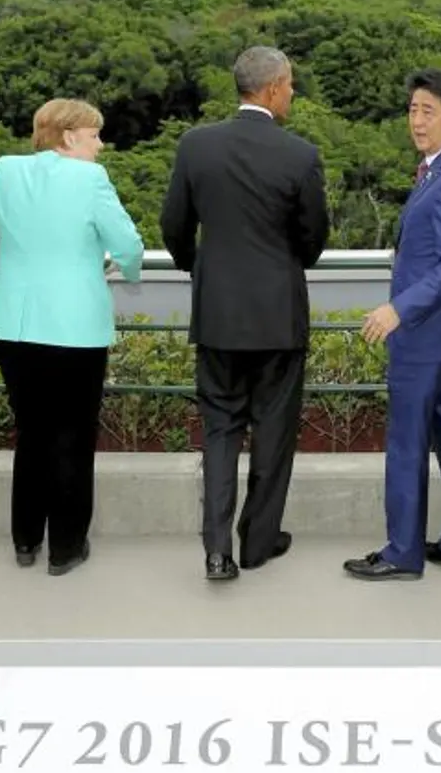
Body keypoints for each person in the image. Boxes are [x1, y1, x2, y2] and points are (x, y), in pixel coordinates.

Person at [0, 98, 145, 576]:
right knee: (74, 436)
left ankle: (24, 539)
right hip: (76, 326)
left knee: (33, 431)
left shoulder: (7, 170)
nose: (101, 145)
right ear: (69, 135)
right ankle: (66, 547)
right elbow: (129, 246)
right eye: (94, 134)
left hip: (15, 325)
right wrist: (128, 269)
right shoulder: (91, 180)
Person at [160, 46, 330, 581]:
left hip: (218, 315)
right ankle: (258, 543)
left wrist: (201, 271)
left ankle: (216, 549)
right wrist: (284, 266)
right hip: (278, 316)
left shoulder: (196, 145)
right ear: (275, 87)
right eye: (292, 85)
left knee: (220, 430)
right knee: (275, 432)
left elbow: (173, 226)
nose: (294, 93)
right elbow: (313, 238)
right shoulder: (299, 155)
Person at [344, 68, 441, 581]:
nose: (417, 120)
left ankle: (403, 551)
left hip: (425, 335)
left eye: (429, 111)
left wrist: (398, 308)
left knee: (408, 443)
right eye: (412, 109)